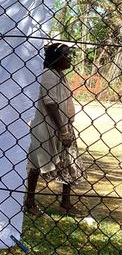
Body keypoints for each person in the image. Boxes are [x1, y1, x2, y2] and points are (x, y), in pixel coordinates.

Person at [25, 42, 87, 216]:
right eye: (66, 55)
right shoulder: (48, 74)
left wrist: (67, 127)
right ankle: (30, 202)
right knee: (37, 163)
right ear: (55, 58)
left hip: (63, 126)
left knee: (70, 162)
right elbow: (50, 103)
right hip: (48, 126)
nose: (69, 59)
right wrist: (63, 131)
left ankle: (65, 203)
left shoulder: (60, 75)